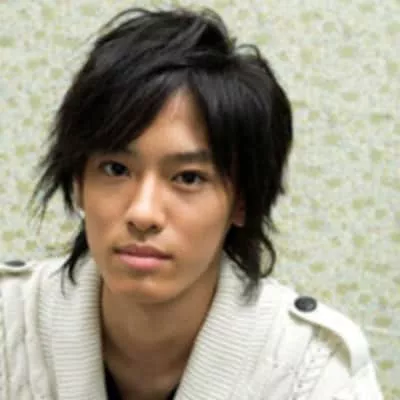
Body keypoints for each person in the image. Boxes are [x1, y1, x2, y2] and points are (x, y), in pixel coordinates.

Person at [0, 7, 382, 400]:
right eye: (116, 169)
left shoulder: (314, 369)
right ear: (78, 182)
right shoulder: (9, 323)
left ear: (242, 201)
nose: (143, 213)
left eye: (188, 178)